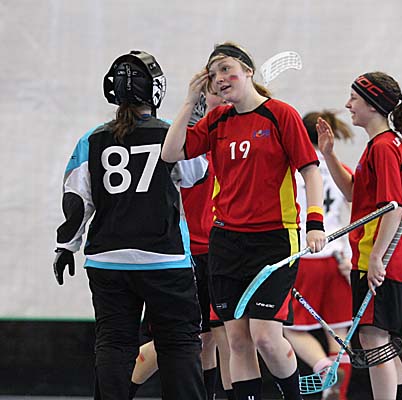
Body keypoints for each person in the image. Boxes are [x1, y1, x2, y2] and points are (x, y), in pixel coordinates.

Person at [161, 42, 327, 400]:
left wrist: (315, 222)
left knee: (265, 336)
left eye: (226, 68)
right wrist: (189, 101)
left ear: (248, 71)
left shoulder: (280, 114)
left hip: (274, 240)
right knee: (237, 340)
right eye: (213, 73)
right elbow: (170, 152)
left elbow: (310, 171)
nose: (220, 78)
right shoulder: (217, 121)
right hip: (226, 243)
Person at [52, 50, 206, 399]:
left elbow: (76, 199)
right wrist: (194, 125)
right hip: (164, 258)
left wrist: (66, 245)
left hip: (107, 261)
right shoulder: (168, 134)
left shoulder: (92, 139)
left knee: (113, 344)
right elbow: (196, 174)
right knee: (178, 344)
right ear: (156, 90)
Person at [317, 72, 402, 400]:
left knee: (374, 341)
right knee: (382, 342)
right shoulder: (380, 146)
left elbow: (393, 208)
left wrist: (378, 257)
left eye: (354, 98)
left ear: (373, 104)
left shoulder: (383, 147)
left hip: (378, 258)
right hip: (379, 256)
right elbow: (355, 194)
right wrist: (329, 154)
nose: (348, 104)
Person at [129, 90, 235, 400]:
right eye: (218, 93)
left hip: (218, 251)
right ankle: (118, 389)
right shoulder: (186, 139)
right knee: (180, 339)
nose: (226, 99)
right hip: (189, 254)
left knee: (211, 338)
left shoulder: (230, 136)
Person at [283, 110, 354, 400]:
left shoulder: (294, 170)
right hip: (335, 258)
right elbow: (351, 212)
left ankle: (323, 369)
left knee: (289, 328)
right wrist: (349, 256)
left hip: (305, 257)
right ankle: (337, 392)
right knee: (339, 334)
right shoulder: (340, 169)